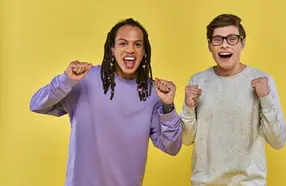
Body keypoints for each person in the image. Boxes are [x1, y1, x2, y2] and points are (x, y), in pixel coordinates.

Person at [29, 18, 183, 186]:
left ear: (144, 51)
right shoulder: (85, 80)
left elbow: (171, 147)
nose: (130, 49)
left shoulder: (153, 92)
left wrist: (168, 106)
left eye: (138, 44)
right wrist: (65, 80)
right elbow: (37, 104)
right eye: (123, 43)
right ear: (112, 49)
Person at [180, 14, 286, 186]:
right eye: (217, 39)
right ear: (209, 45)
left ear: (242, 43)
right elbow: (185, 140)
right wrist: (188, 108)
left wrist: (266, 99)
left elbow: (278, 141)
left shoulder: (262, 80)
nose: (224, 44)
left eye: (231, 39)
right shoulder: (198, 81)